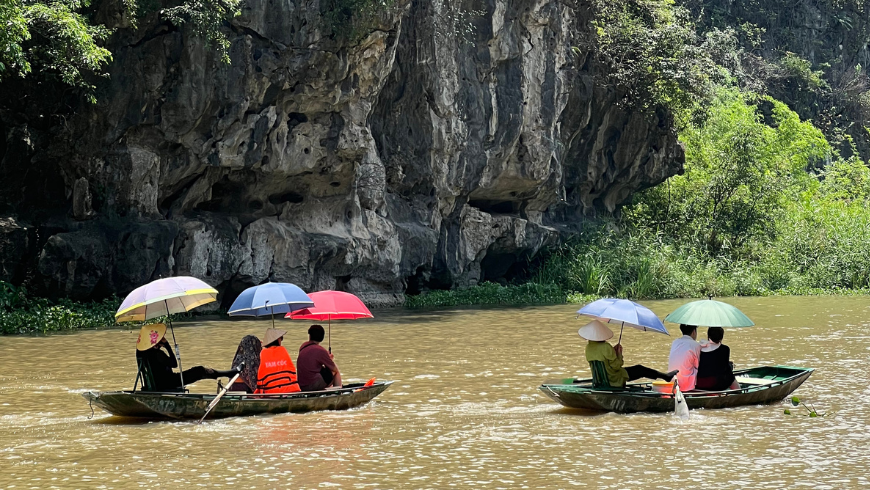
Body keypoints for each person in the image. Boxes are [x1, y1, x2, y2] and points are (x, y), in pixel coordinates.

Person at [135, 323, 239, 392]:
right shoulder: (157, 354)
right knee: (199, 371)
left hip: (159, 383)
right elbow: (174, 364)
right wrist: (167, 346)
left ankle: (227, 373)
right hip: (168, 383)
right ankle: (229, 373)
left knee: (197, 371)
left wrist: (159, 346)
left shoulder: (141, 353)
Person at [580, 320, 677, 387]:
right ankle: (666, 377)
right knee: (640, 369)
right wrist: (619, 354)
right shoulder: (606, 347)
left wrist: (613, 351)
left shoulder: (588, 348)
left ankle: (666, 376)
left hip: (600, 380)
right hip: (614, 379)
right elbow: (617, 366)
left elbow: (604, 360)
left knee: (637, 369)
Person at [255, 328, 301, 393]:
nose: (281, 340)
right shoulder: (283, 350)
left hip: (269, 390)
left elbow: (261, 374)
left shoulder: (263, 353)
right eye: (281, 338)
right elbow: (291, 370)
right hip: (289, 389)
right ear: (277, 340)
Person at [297, 324, 342, 391]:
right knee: (336, 370)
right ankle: (338, 391)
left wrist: (327, 358)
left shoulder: (303, 346)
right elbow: (334, 369)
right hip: (312, 385)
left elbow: (311, 361)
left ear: (310, 335)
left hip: (301, 385)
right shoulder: (320, 350)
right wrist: (329, 359)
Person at [696, 327, 740, 391]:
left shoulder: (698, 347)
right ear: (721, 337)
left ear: (708, 336)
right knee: (730, 375)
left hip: (698, 382)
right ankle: (739, 391)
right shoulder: (725, 349)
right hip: (714, 384)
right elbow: (725, 369)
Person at [668, 324, 701, 391]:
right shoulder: (695, 345)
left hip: (672, 382)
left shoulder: (675, 342)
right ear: (694, 332)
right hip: (687, 386)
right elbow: (698, 365)